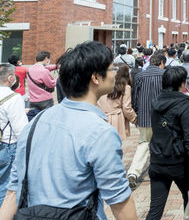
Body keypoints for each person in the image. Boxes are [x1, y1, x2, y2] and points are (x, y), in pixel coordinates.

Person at [0, 41, 137, 219]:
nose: (115, 74)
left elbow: (14, 190)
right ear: (96, 78)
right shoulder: (100, 132)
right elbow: (119, 200)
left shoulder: (35, 123)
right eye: (112, 69)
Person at [146, 67, 189, 220]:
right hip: (180, 161)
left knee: (155, 210)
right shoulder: (184, 103)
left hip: (157, 160)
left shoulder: (156, 101)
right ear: (181, 83)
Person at [128, 54, 166, 188]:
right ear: (162, 62)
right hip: (161, 116)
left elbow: (135, 98)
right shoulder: (164, 75)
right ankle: (161, 169)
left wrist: (136, 113)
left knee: (143, 143)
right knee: (161, 143)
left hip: (144, 116)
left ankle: (134, 172)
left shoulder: (139, 76)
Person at [0, 64, 27, 206]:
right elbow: (20, 129)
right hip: (6, 146)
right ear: (10, 78)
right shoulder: (13, 98)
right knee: (4, 187)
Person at [97, 63, 137, 141]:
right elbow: (126, 108)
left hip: (101, 118)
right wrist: (135, 119)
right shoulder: (125, 87)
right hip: (116, 120)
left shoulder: (101, 84)